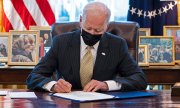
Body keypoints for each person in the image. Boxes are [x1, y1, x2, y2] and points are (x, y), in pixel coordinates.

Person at [26, 2, 147, 93]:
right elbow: (33, 77)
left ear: (106, 26)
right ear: (80, 21)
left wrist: (106, 85)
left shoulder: (117, 45)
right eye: (88, 28)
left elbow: (140, 79)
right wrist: (53, 85)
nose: (92, 33)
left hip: (103, 104)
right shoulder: (61, 42)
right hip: (68, 103)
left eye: (98, 30)